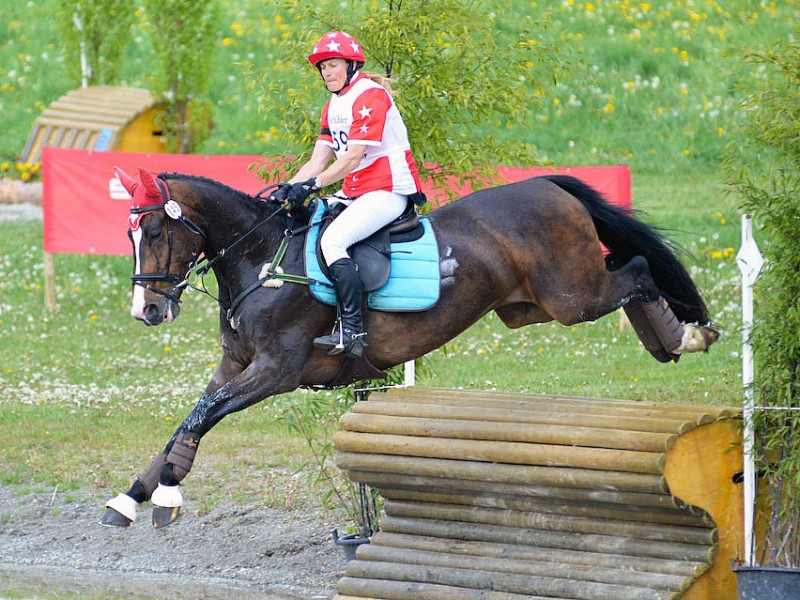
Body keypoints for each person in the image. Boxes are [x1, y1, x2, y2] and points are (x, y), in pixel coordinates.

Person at [271, 30, 424, 359]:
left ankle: (353, 330)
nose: (327, 71)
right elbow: (318, 160)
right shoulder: (332, 105)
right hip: (357, 191)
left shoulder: (371, 96)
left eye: (333, 64)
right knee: (312, 226)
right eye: (322, 66)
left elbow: (352, 157)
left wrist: (312, 186)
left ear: (352, 65)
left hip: (387, 189)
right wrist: (286, 188)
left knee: (333, 241)